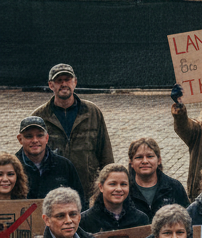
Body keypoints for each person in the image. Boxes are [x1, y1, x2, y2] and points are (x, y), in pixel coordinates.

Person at [34, 64, 114, 193]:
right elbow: (29, 156)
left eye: (68, 79)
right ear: (50, 85)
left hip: (88, 191)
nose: (64, 84)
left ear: (75, 82)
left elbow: (106, 154)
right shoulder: (39, 117)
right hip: (53, 192)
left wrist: (110, 183)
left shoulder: (93, 112)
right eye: (59, 80)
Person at [15, 115, 84, 201]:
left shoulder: (64, 166)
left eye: (40, 135)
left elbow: (80, 201)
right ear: (20, 139)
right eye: (29, 136)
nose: (35, 140)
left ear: (47, 138)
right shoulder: (12, 168)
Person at [127, 138, 189, 221]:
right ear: (131, 162)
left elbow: (187, 219)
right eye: (139, 157)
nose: (145, 161)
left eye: (150, 156)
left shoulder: (174, 187)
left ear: (159, 160)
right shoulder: (125, 190)